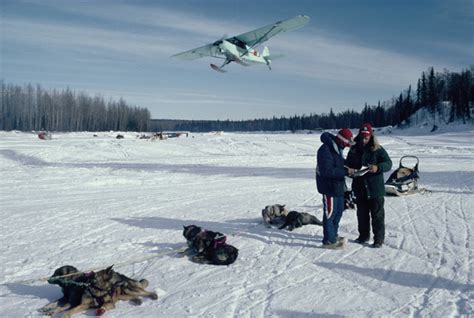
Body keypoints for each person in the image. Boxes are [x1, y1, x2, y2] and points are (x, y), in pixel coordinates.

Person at [346, 123, 392, 248]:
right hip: (360, 188)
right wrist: (349, 171)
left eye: (366, 137)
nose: (364, 140)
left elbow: (388, 163)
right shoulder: (354, 149)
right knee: (362, 214)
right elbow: (347, 165)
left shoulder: (378, 149)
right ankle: (363, 236)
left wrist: (378, 168)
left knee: (377, 215)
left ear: (371, 136)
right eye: (362, 137)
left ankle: (378, 239)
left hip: (375, 189)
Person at [316, 128, 355, 249]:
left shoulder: (337, 148)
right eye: (347, 143)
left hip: (338, 186)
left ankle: (333, 235)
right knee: (330, 213)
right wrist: (345, 171)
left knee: (338, 211)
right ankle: (328, 240)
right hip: (329, 187)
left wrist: (349, 166)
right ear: (342, 140)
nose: (348, 146)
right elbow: (326, 170)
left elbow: (338, 162)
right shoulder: (325, 149)